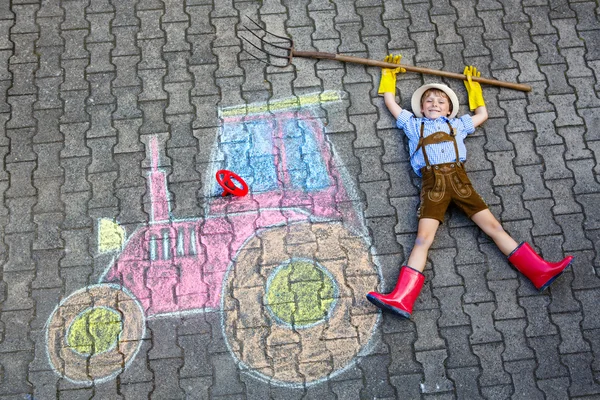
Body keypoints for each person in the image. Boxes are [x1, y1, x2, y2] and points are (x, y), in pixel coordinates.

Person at [366, 55, 574, 319]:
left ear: (449, 109)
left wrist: (473, 87)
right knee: (422, 239)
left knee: (495, 228)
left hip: (460, 181)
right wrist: (389, 75)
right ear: (420, 106)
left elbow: (482, 114)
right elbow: (390, 102)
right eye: (428, 100)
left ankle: (540, 270)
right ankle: (402, 298)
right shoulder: (412, 124)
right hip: (433, 186)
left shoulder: (458, 125)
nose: (434, 103)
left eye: (441, 101)